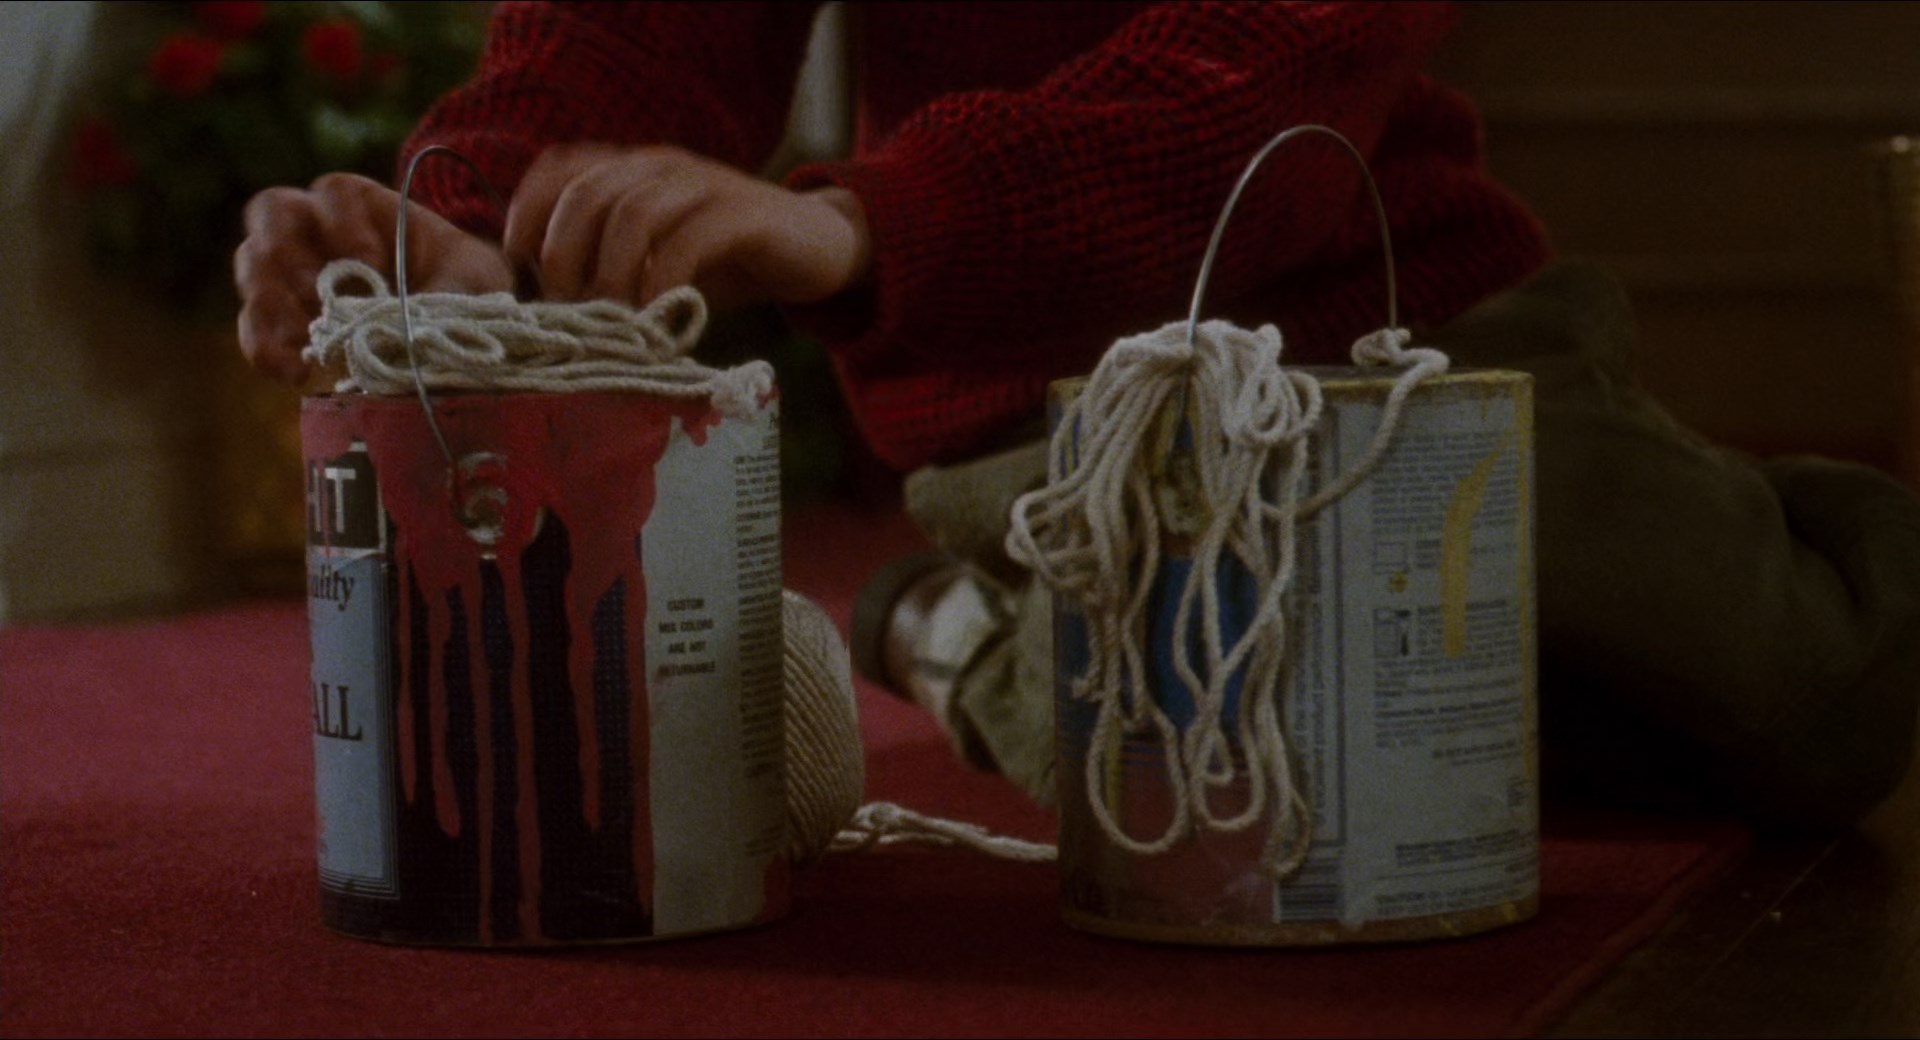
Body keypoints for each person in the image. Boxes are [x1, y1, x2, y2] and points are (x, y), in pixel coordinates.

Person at [235, 1, 1920, 830]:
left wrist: (872, 225)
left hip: (1404, 345)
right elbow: (617, 40)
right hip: (1051, 421)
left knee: (1812, 704)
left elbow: (1268, 71)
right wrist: (466, 234)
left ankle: (960, 626)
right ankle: (964, 619)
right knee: (1258, 798)